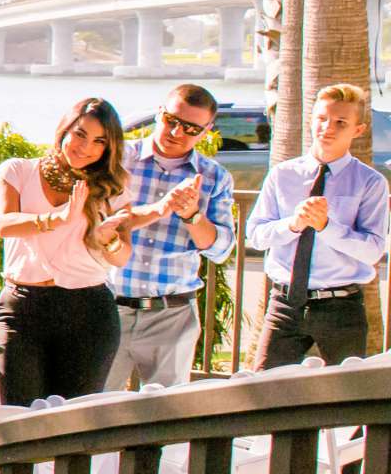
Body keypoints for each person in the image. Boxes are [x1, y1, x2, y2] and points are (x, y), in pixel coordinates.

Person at [0, 98, 134, 404]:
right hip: (22, 308)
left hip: (88, 310)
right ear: (63, 130)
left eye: (99, 141)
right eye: (80, 134)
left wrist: (108, 240)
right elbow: (5, 224)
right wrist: (57, 218)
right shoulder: (17, 171)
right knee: (19, 422)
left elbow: (121, 256)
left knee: (70, 425)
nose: (86, 147)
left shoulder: (113, 187)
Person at [105, 84, 237, 388]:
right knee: (92, 406)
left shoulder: (214, 177)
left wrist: (191, 214)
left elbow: (220, 250)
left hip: (172, 313)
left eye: (190, 128)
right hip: (110, 307)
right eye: (171, 121)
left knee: (165, 415)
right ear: (160, 113)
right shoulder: (120, 158)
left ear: (205, 132)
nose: (177, 132)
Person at [252, 84, 390, 374]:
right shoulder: (283, 174)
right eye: (322, 119)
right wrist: (293, 224)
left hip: (341, 306)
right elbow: (256, 234)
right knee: (265, 389)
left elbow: (372, 251)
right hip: (285, 304)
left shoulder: (369, 182)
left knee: (346, 400)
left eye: (341, 122)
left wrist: (326, 226)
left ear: (358, 130)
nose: (328, 128)